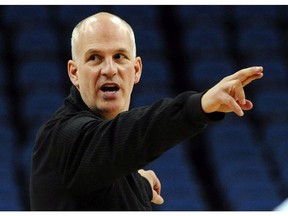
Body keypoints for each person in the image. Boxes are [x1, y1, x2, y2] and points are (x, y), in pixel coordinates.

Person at [30, 12, 263, 210]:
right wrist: (198, 106)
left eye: (119, 56)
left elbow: (111, 156)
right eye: (94, 58)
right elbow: (123, 137)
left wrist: (137, 183)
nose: (109, 69)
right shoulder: (63, 137)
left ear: (137, 69)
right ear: (74, 73)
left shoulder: (117, 165)